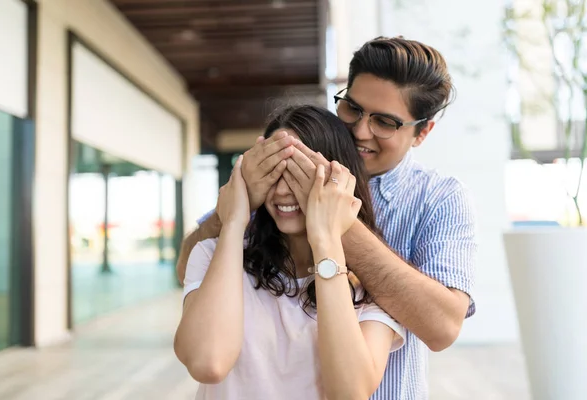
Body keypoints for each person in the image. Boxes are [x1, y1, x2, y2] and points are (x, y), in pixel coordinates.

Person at [177, 37, 477, 400]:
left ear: (421, 132)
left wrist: (331, 224)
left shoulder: (438, 198)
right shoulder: (297, 154)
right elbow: (190, 265)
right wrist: (237, 209)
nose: (360, 131)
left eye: (384, 122)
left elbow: (443, 328)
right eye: (352, 108)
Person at [174, 105, 406, 400]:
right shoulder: (211, 254)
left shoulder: (372, 283)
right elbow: (208, 363)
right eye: (274, 172)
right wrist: (234, 222)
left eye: (300, 174)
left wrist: (326, 238)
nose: (283, 191)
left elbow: (349, 393)